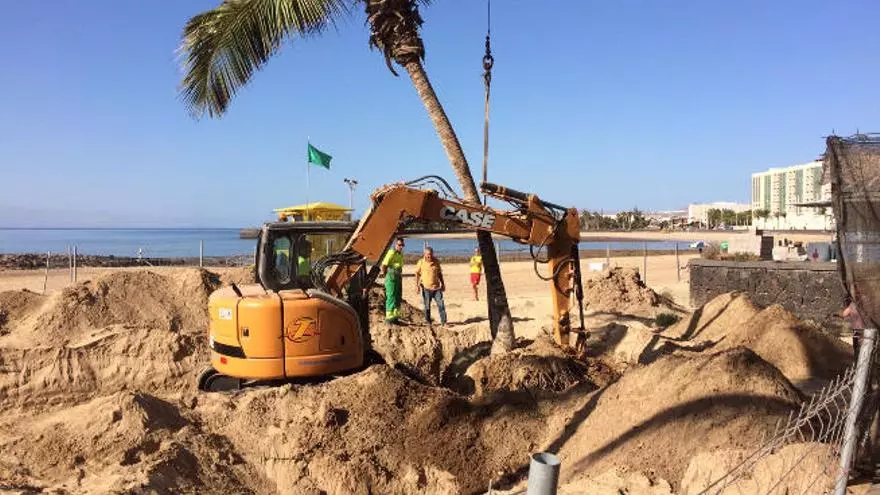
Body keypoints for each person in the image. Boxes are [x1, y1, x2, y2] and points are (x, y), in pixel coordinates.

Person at [414, 246, 447, 326]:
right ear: (424, 254)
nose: (429, 256)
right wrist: (417, 286)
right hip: (426, 288)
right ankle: (428, 322)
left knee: (441, 305)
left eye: (431, 254)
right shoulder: (421, 262)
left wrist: (443, 284)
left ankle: (444, 322)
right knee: (427, 306)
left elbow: (439, 273)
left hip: (436, 288)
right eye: (428, 254)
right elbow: (417, 274)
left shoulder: (436, 261)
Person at [380, 238, 405, 323]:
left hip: (398, 277)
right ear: (395, 245)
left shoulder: (400, 254)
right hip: (391, 277)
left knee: (398, 296)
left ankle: (395, 316)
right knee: (391, 296)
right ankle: (389, 317)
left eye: (402, 245)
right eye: (399, 245)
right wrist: (386, 275)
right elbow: (384, 265)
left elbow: (399, 266)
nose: (401, 247)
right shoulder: (391, 252)